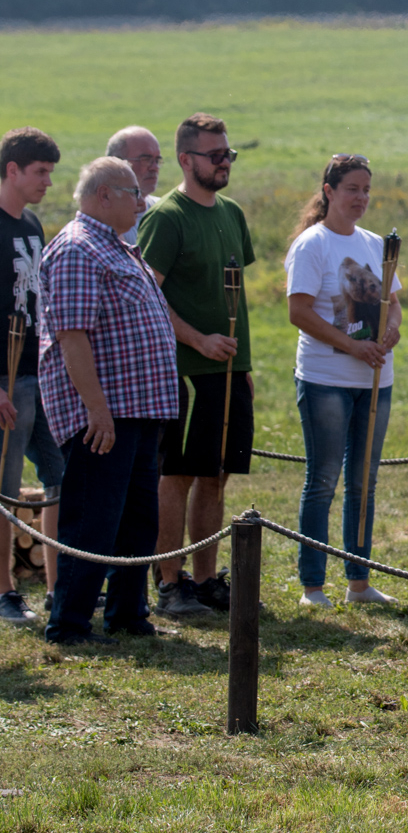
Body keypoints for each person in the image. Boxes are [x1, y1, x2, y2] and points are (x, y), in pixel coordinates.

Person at [40, 158, 177, 645]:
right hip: (106, 413)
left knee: (137, 520)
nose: (142, 203)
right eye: (132, 193)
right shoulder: (79, 249)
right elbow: (72, 336)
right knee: (93, 519)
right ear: (104, 196)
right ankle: (70, 624)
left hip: (137, 411)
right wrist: (96, 409)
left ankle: (127, 612)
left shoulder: (116, 247)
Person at [138, 112, 254, 619]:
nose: (224, 161)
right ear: (186, 160)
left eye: (228, 153)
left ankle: (206, 580)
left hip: (230, 371)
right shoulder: (166, 217)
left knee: (217, 475)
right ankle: (170, 581)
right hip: (185, 368)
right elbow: (147, 293)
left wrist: (242, 364)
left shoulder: (231, 212)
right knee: (179, 474)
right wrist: (196, 339)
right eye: (215, 155)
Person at [284, 155, 402, 607]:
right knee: (324, 478)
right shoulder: (312, 245)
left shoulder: (375, 244)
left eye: (366, 190)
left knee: (364, 481)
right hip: (326, 378)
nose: (361, 198)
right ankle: (312, 585)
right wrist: (352, 346)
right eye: (352, 189)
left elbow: (392, 301)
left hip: (375, 377)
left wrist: (392, 329)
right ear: (329, 191)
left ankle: (359, 581)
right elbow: (298, 311)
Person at [0, 128, 63, 625]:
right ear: (12, 170)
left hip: (38, 373)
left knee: (60, 476)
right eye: (39, 172)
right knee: (4, 487)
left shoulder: (34, 224)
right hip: (5, 379)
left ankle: (58, 585)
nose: (46, 181)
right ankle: (4, 591)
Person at [106, 126, 163, 247]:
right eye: (146, 159)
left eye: (157, 160)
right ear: (118, 162)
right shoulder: (105, 219)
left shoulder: (163, 210)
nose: (154, 167)